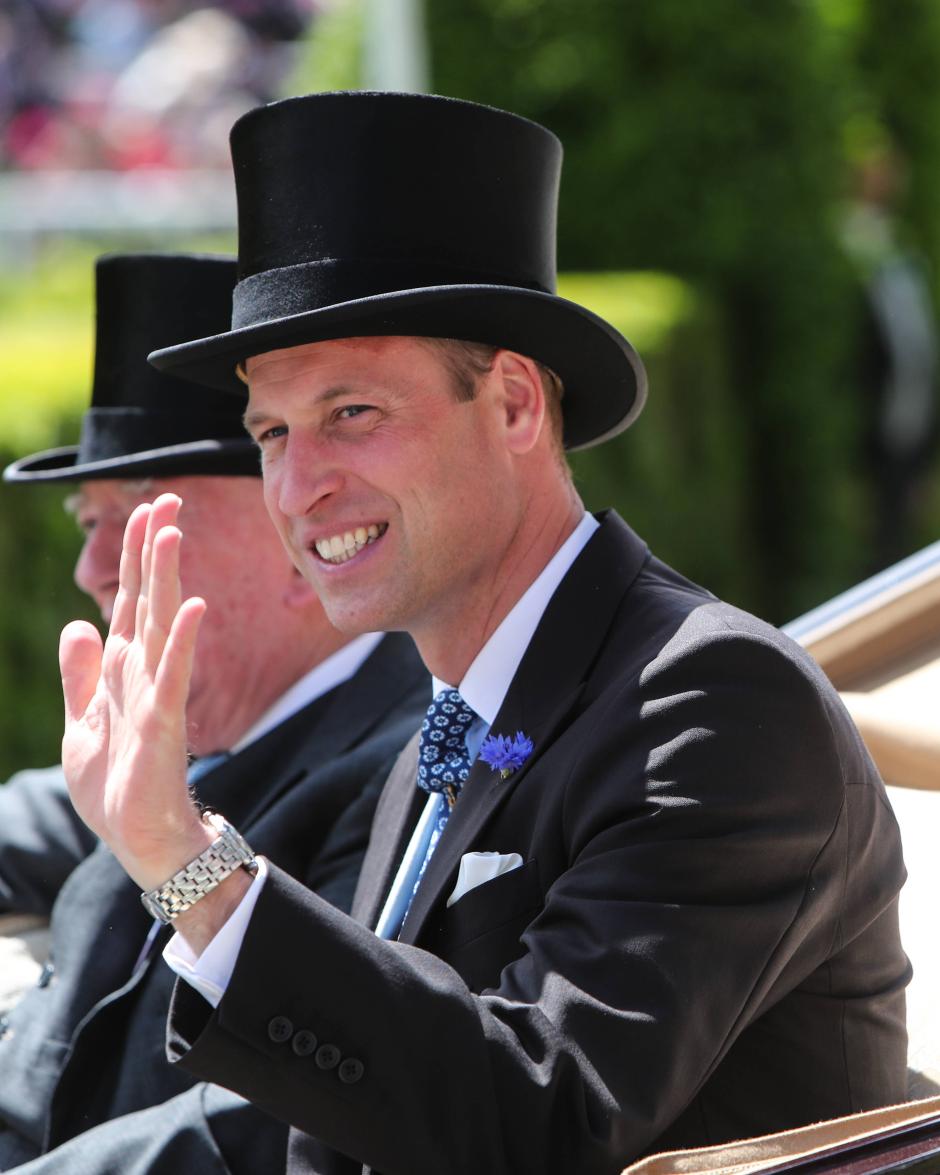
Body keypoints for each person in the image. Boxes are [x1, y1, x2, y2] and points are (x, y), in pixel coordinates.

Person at [61, 94, 909, 1175]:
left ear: (513, 403)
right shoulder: (448, 723)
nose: (298, 484)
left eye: (351, 413)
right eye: (271, 431)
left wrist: (186, 860)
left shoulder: (710, 699)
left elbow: (537, 1115)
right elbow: (351, 1118)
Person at [0, 251, 428, 1173]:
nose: (93, 566)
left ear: (297, 534)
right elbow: (38, 816)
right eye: (88, 520)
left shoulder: (405, 774)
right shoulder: (204, 745)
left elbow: (279, 1121)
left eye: (143, 515)